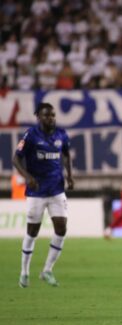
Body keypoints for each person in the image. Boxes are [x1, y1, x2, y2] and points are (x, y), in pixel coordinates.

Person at [13, 102, 74, 288]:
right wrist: (27, 176)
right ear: (38, 117)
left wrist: (70, 176)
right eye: (47, 115)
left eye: (53, 115)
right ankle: (24, 272)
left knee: (61, 229)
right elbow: (16, 158)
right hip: (36, 191)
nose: (51, 118)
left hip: (56, 189)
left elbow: (66, 155)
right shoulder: (31, 135)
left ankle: (47, 270)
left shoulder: (61, 134)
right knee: (32, 231)